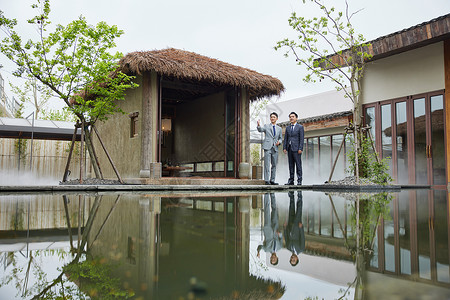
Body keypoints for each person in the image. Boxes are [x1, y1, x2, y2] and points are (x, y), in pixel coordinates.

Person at [257, 112, 283, 185]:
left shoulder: (279, 128)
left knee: (274, 165)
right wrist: (258, 125)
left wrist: (279, 142)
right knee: (267, 164)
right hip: (267, 147)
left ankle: (272, 180)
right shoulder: (266, 126)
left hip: (275, 148)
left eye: (274, 117)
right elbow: (260, 130)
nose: (272, 118)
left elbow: (281, 138)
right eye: (271, 117)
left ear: (277, 118)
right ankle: (267, 180)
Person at [257, 193, 282, 265]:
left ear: (270, 258)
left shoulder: (266, 250)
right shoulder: (280, 247)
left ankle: (267, 194)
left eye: (271, 259)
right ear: (277, 258)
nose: (273, 258)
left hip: (267, 228)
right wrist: (279, 234)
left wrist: (258, 252)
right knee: (275, 210)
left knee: (267, 209)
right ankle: (273, 194)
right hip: (275, 228)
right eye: (274, 259)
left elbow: (260, 246)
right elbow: (281, 237)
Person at [283, 112, 304, 185]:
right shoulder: (288, 128)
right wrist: (284, 147)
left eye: (293, 116)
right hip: (289, 149)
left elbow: (301, 138)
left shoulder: (300, 127)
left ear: (296, 118)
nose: (291, 118)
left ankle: (299, 180)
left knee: (298, 165)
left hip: (297, 149)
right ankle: (291, 180)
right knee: (291, 165)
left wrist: (300, 148)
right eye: (290, 117)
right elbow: (286, 138)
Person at [284, 191, 305, 267]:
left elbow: (286, 237)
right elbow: (302, 238)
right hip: (297, 227)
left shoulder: (288, 247)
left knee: (291, 208)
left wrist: (285, 228)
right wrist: (301, 228)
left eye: (291, 260)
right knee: (299, 210)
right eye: (294, 260)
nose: (292, 258)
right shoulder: (301, 249)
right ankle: (299, 195)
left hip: (290, 226)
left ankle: (291, 194)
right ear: (297, 259)